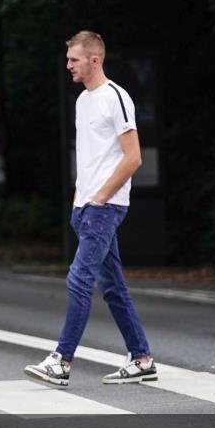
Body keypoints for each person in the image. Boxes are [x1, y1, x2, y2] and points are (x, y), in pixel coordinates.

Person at [24, 31, 154, 386]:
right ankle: (141, 357)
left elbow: (133, 158)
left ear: (94, 60)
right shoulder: (82, 101)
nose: (68, 65)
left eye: (74, 60)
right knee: (112, 286)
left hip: (106, 206)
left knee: (78, 279)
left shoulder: (117, 97)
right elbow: (89, 157)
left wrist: (99, 198)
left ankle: (62, 361)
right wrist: (79, 201)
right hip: (85, 207)